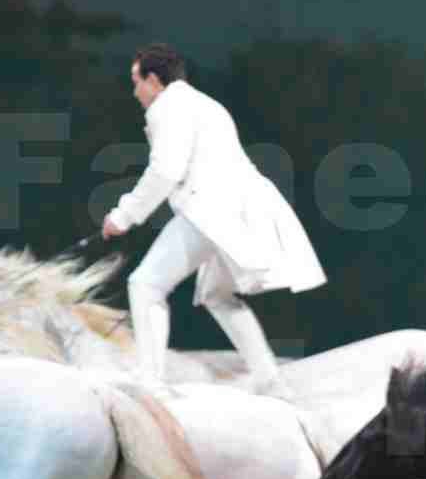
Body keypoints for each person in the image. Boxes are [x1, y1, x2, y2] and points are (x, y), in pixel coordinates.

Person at [100, 43, 325, 393]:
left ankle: (150, 380)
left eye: (136, 81)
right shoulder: (205, 104)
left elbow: (165, 170)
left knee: (145, 285)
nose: (134, 91)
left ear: (155, 80)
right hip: (238, 210)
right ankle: (269, 378)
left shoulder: (168, 108)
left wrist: (124, 216)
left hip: (211, 209)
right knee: (218, 295)